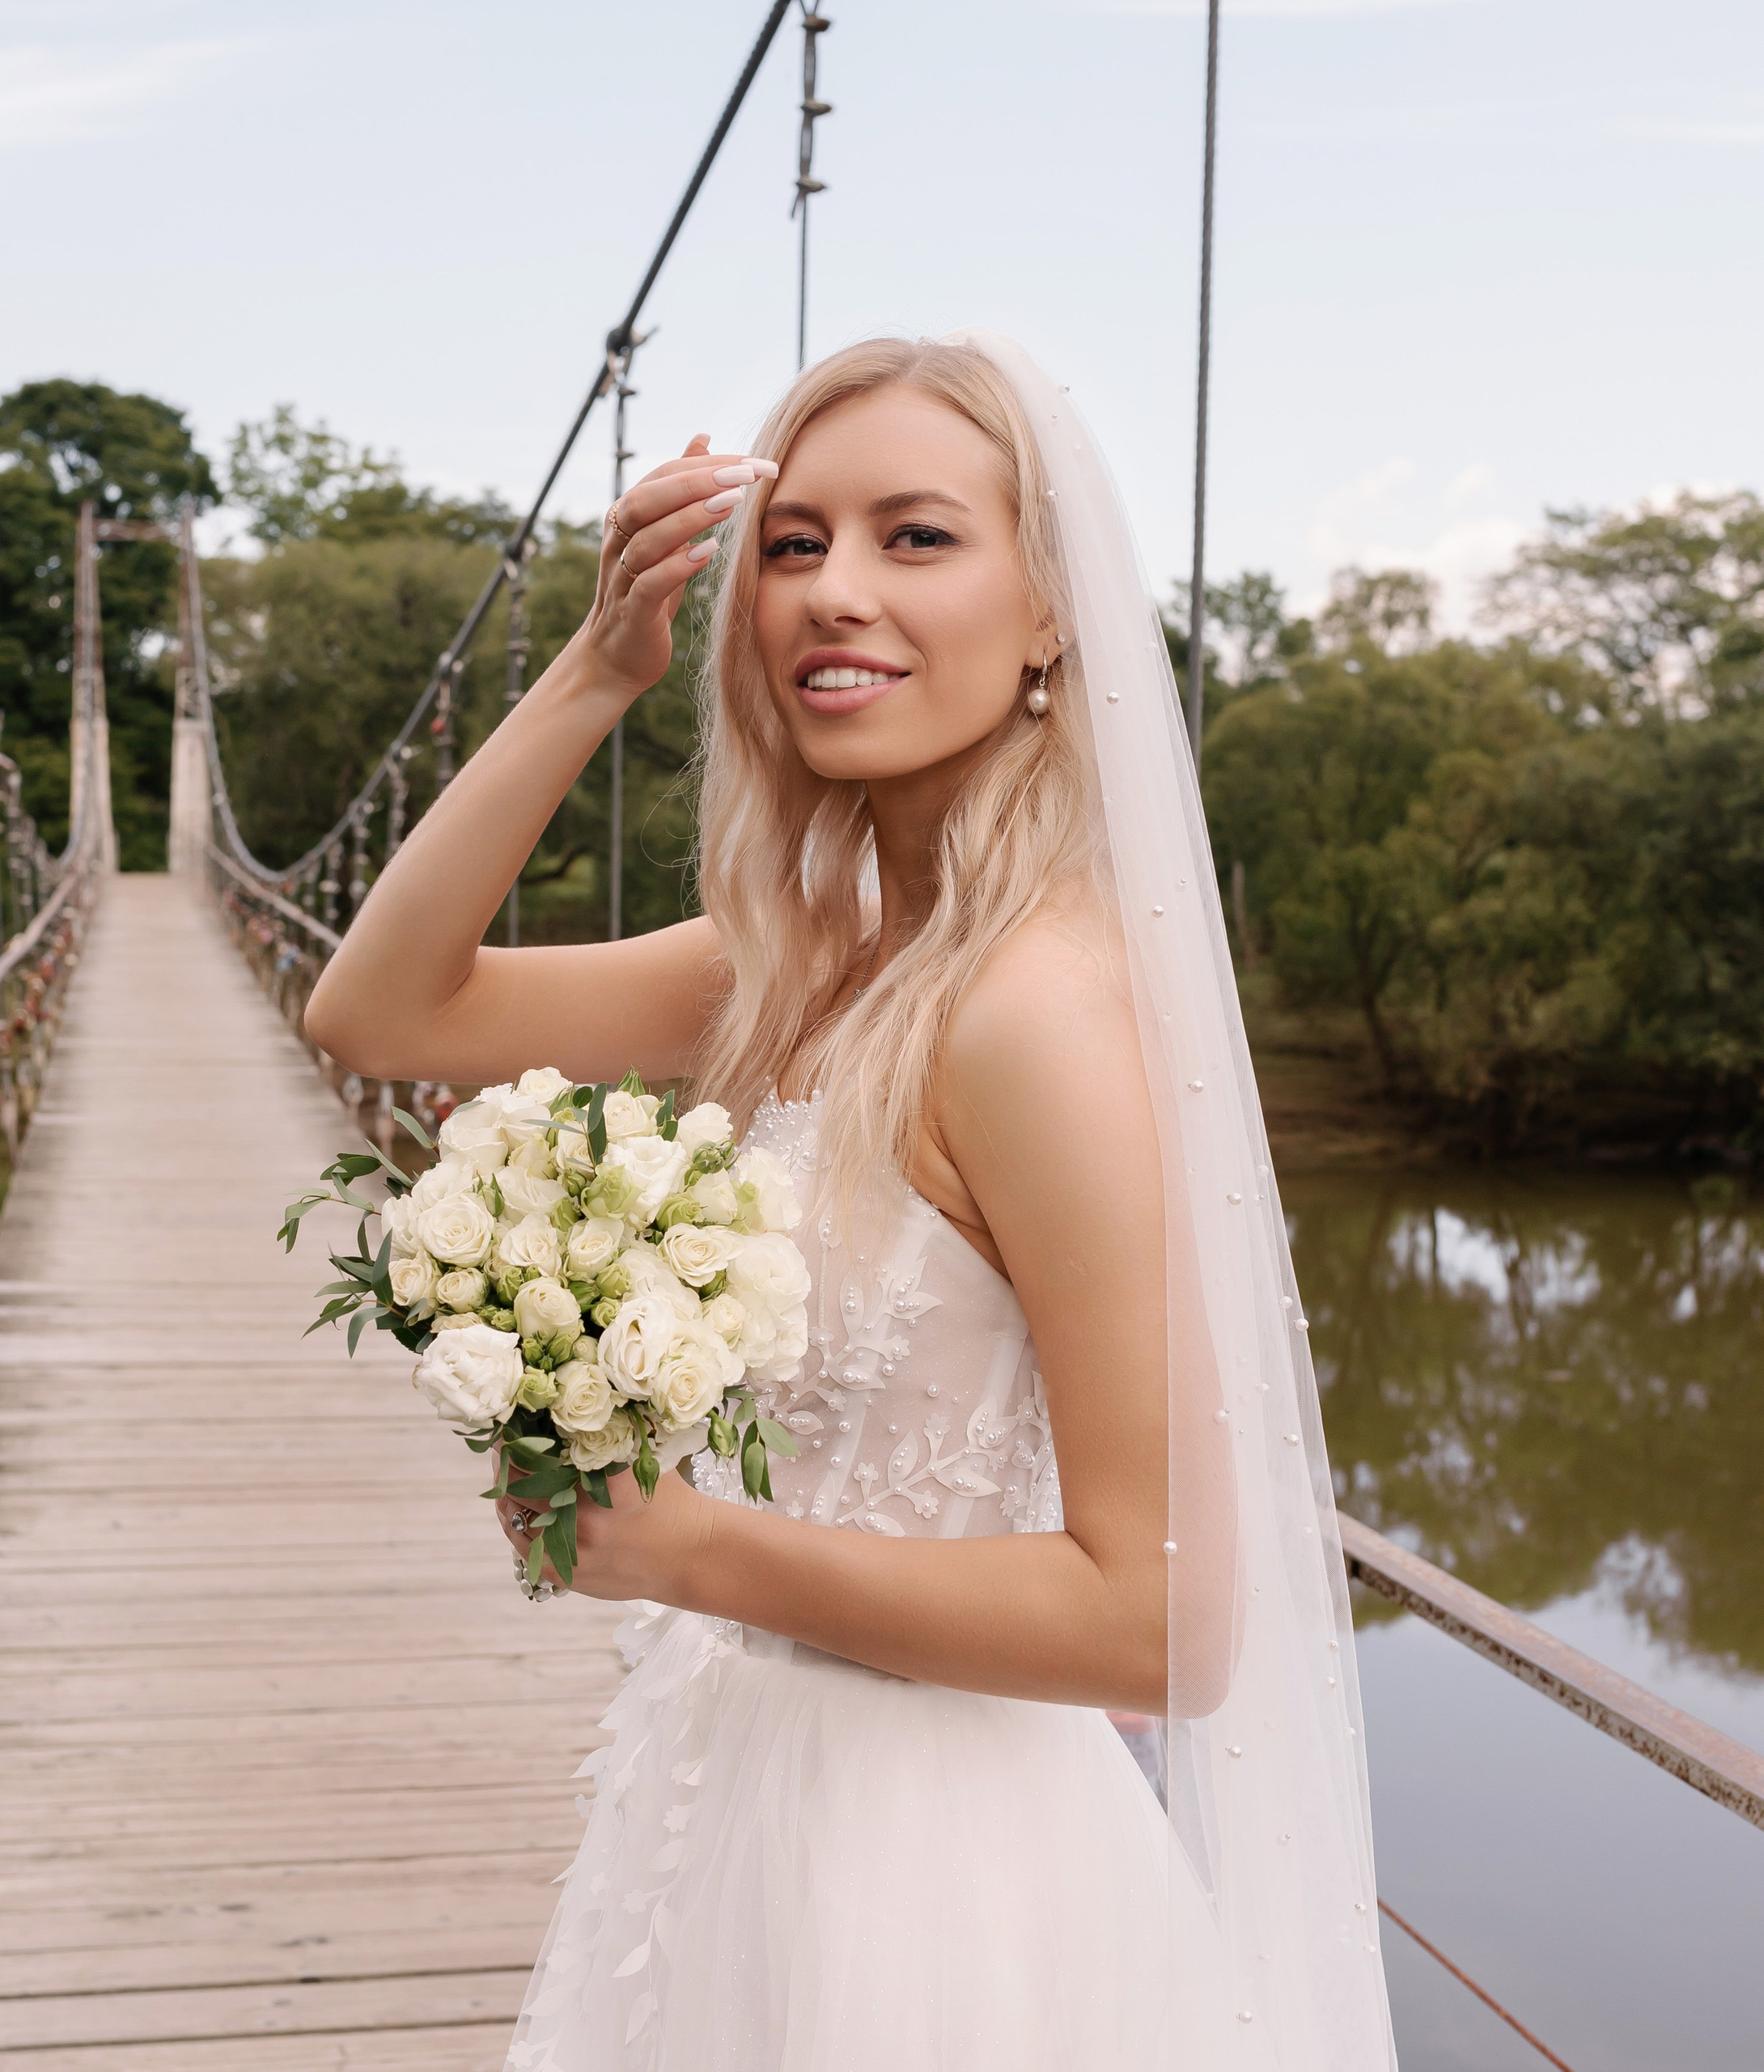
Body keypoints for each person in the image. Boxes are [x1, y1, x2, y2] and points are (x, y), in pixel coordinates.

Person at [304, 333, 1400, 2070]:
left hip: (933, 1871)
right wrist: (596, 667)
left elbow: (1167, 1619)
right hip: (720, 1785)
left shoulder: (1037, 1013)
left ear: (1049, 610)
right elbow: (379, 1013)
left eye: (916, 536)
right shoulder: (797, 952)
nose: (834, 592)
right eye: (794, 544)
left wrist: (694, 1546)